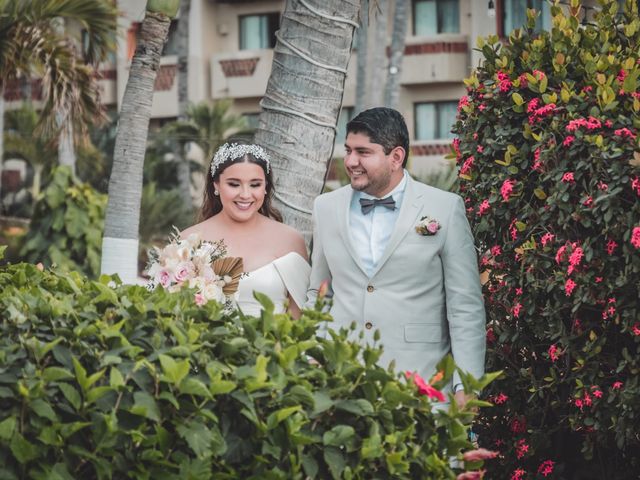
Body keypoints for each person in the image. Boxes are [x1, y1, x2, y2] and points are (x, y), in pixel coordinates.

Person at [306, 107, 486, 407]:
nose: (350, 161)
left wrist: (466, 388)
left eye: (363, 152)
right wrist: (310, 359)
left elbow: (465, 306)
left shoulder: (444, 207)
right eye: (348, 150)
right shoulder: (325, 207)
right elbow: (319, 292)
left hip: (422, 385)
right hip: (341, 386)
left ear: (396, 157)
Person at [182, 141, 309, 317]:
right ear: (216, 185)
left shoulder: (291, 240)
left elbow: (299, 317)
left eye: (255, 184)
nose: (245, 194)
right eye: (234, 184)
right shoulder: (188, 240)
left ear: (266, 187)